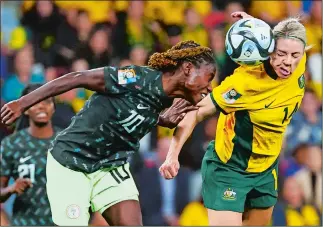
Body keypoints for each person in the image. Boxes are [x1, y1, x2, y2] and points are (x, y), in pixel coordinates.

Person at [1, 40, 216, 226]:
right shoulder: (135, 78)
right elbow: (77, 77)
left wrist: (159, 120)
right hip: (71, 163)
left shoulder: (168, 100)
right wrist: (22, 103)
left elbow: (131, 114)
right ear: (188, 68)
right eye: (209, 77)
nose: (209, 87)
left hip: (110, 166)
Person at [159, 12, 309, 226]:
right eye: (281, 53)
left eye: (295, 55)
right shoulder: (243, 83)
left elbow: (289, 39)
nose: (288, 62)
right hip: (230, 168)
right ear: (268, 51)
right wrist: (172, 154)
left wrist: (256, 24)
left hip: (265, 168)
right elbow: (196, 111)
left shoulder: (299, 63)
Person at [0, 84, 58, 225]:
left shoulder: (67, 141)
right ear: (24, 110)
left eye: (47, 101)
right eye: (35, 102)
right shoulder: (11, 144)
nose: (41, 106)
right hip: (25, 222)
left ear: (54, 107)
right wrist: (11, 189)